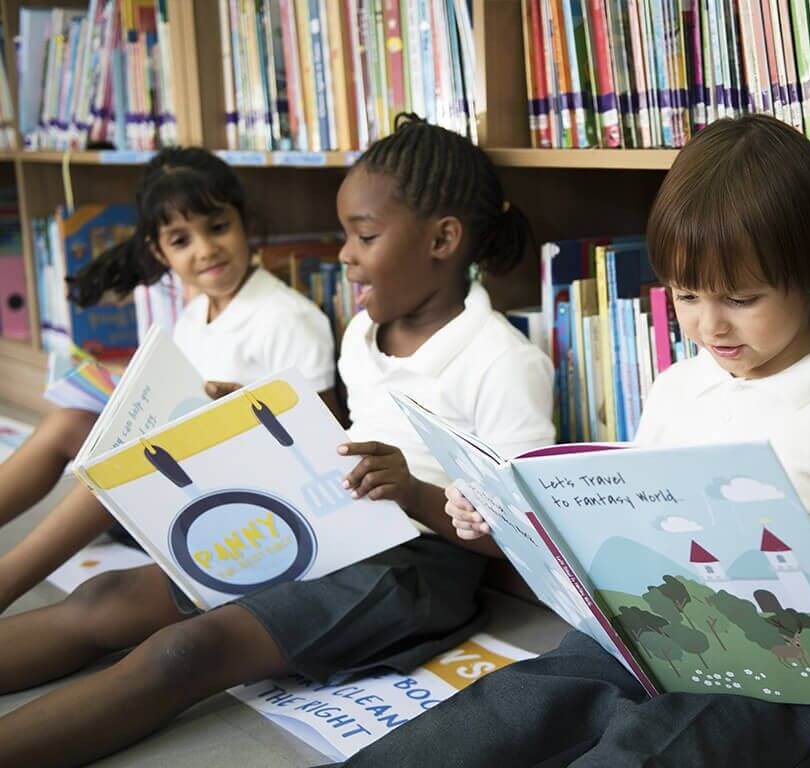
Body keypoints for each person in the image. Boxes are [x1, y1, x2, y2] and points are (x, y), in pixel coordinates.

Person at [347, 114, 810, 768]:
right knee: (510, 706)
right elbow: (624, 527)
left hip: (777, 682)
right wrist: (501, 511)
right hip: (644, 637)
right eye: (687, 296)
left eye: (742, 298)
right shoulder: (676, 386)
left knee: (654, 746)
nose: (710, 323)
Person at [0, 115, 555, 768]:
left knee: (184, 653)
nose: (344, 253)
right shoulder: (362, 336)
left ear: (443, 238)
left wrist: (413, 492)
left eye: (364, 235)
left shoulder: (503, 361)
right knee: (106, 599)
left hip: (415, 567)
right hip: (329, 520)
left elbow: (526, 540)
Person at [0, 147, 337, 612]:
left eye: (218, 227)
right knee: (69, 423)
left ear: (245, 223)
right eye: (182, 241)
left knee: (126, 469)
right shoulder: (194, 315)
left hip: (248, 497)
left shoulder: (289, 318)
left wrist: (245, 411)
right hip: (190, 474)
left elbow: (324, 445)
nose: (205, 250)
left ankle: (5, 582)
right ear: (161, 253)